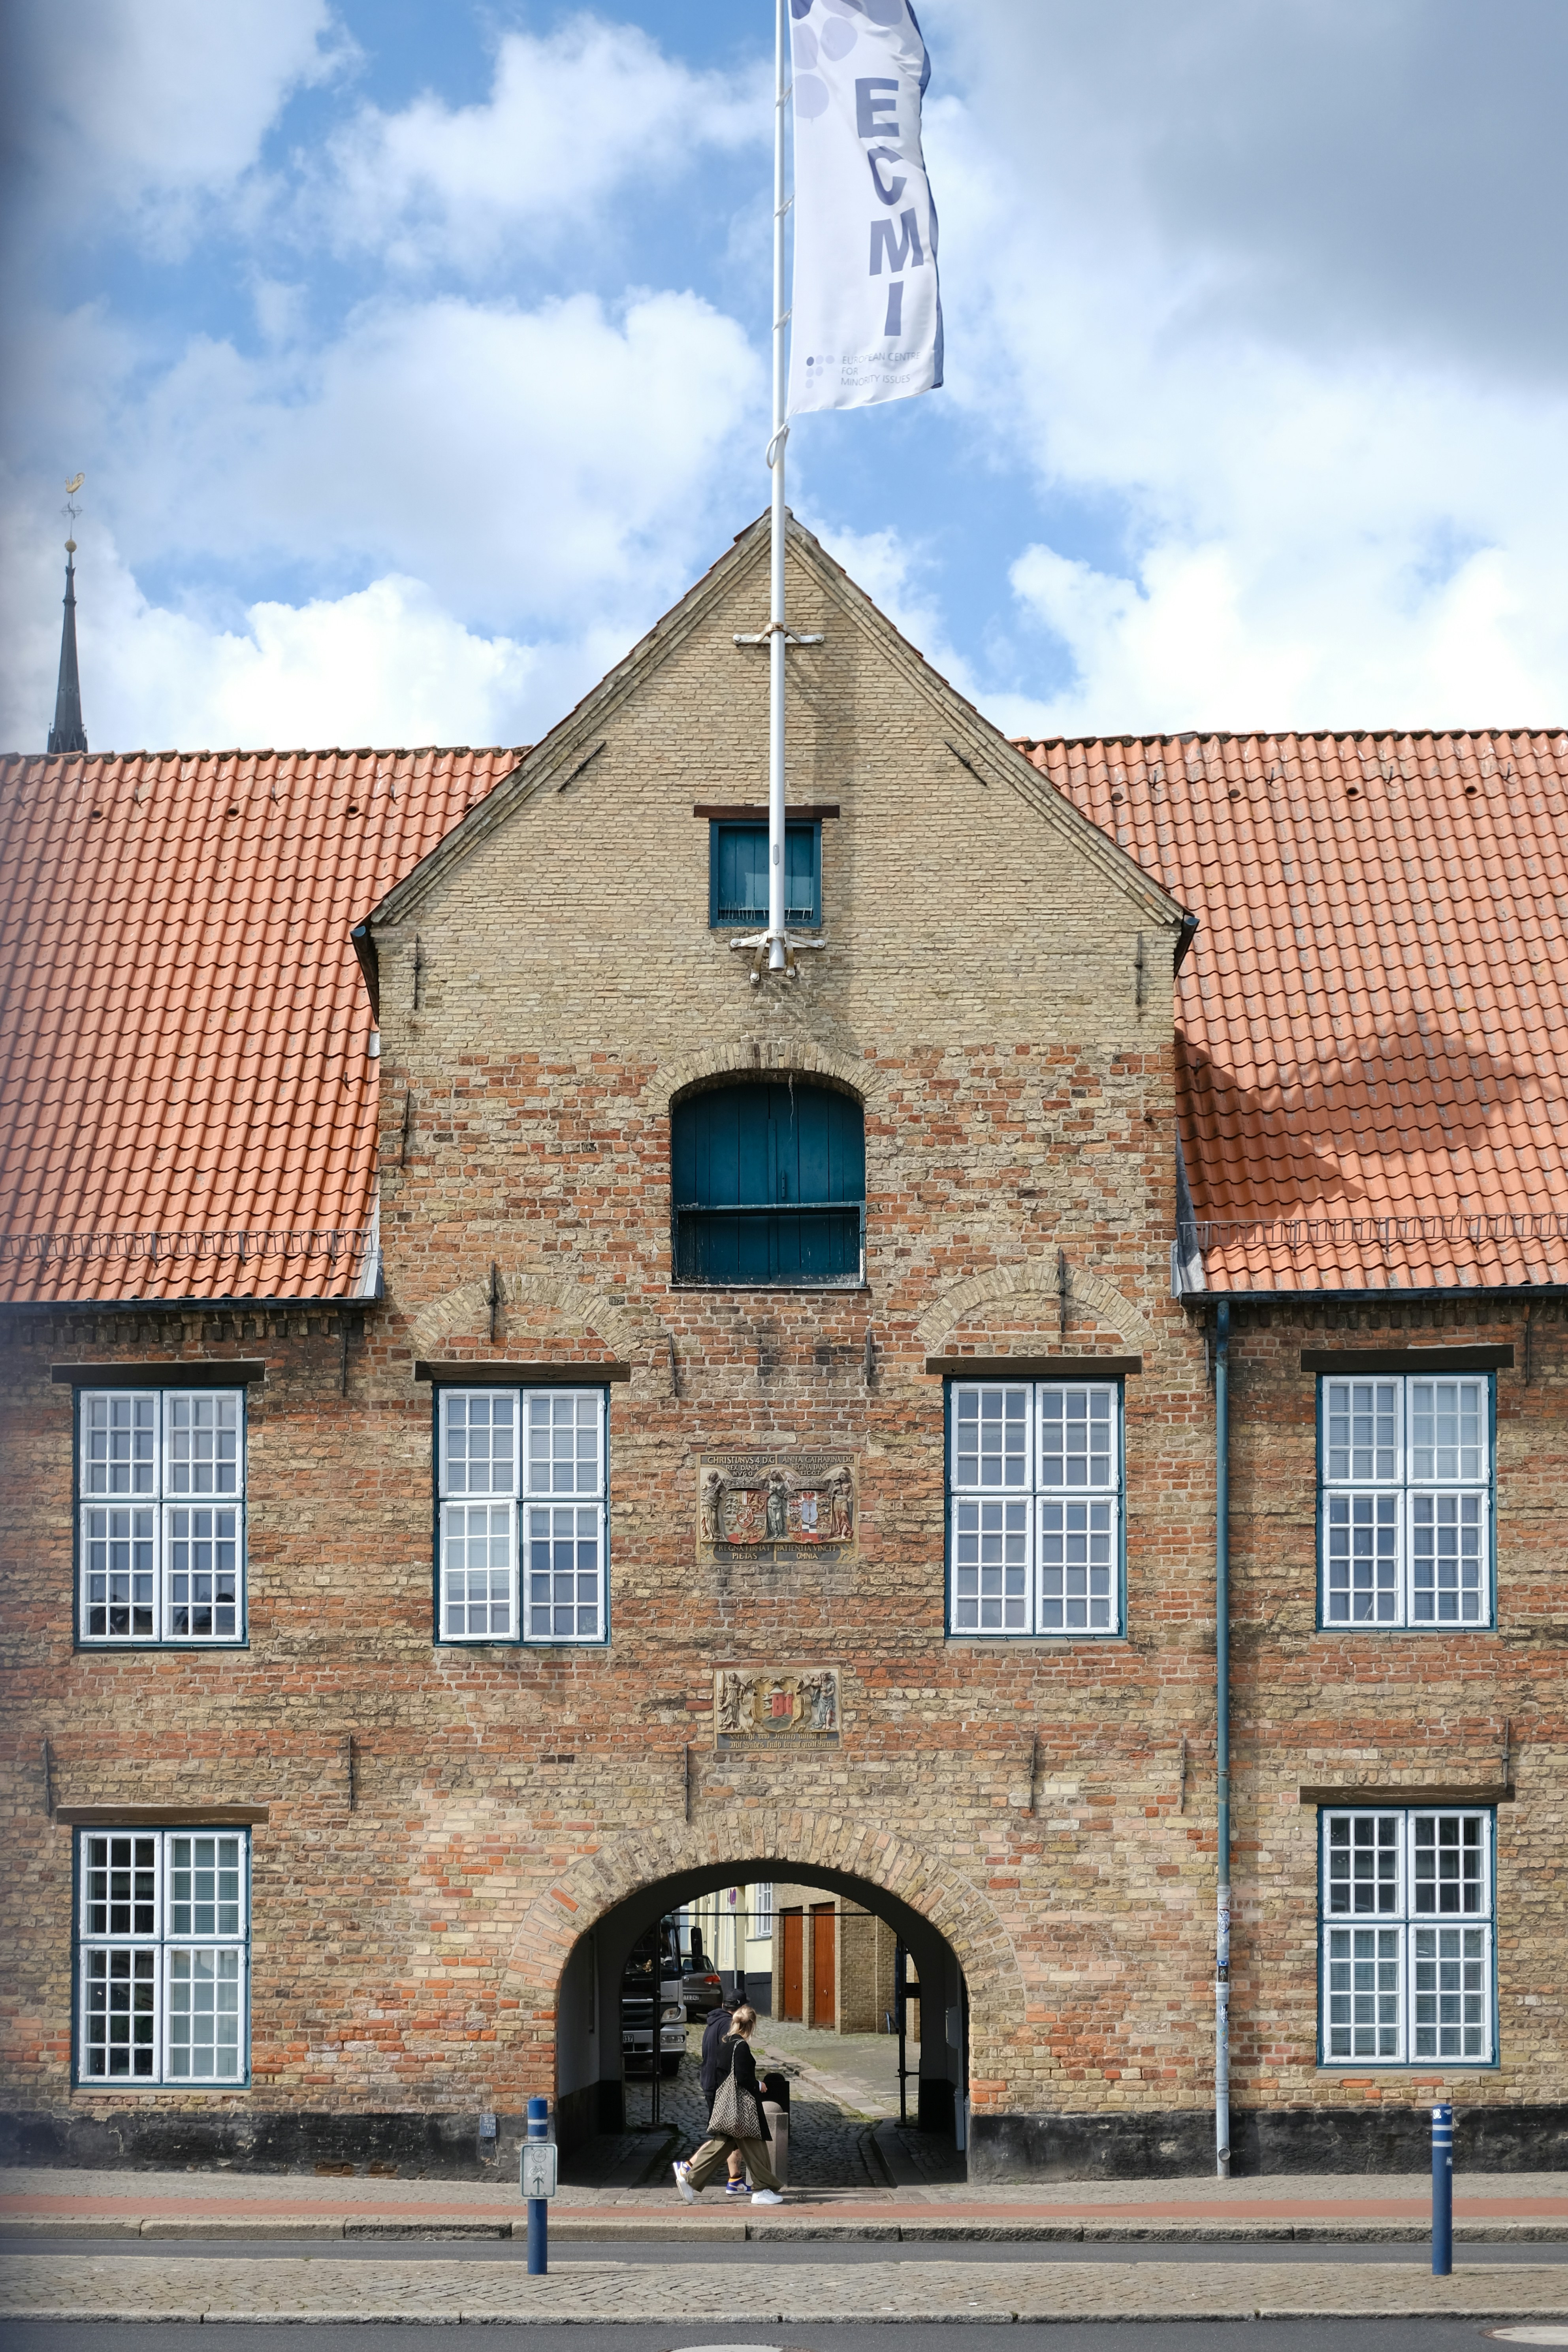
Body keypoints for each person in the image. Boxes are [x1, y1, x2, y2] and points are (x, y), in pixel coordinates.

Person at [674, 2005, 783, 2206]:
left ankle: (690, 2180)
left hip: (729, 2108)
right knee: (757, 2146)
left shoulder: (725, 2043)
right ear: (751, 2026)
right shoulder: (740, 2046)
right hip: (743, 2111)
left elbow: (722, 2074)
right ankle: (762, 2190)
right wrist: (758, 2085)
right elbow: (742, 2078)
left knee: (720, 2146)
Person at [698, 1994, 747, 2196]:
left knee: (729, 2135)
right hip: (721, 2087)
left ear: (723, 2005)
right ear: (741, 2009)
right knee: (725, 2136)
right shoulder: (728, 2025)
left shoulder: (713, 2023)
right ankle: (690, 2167)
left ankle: (735, 2180)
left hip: (710, 2082)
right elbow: (727, 2059)